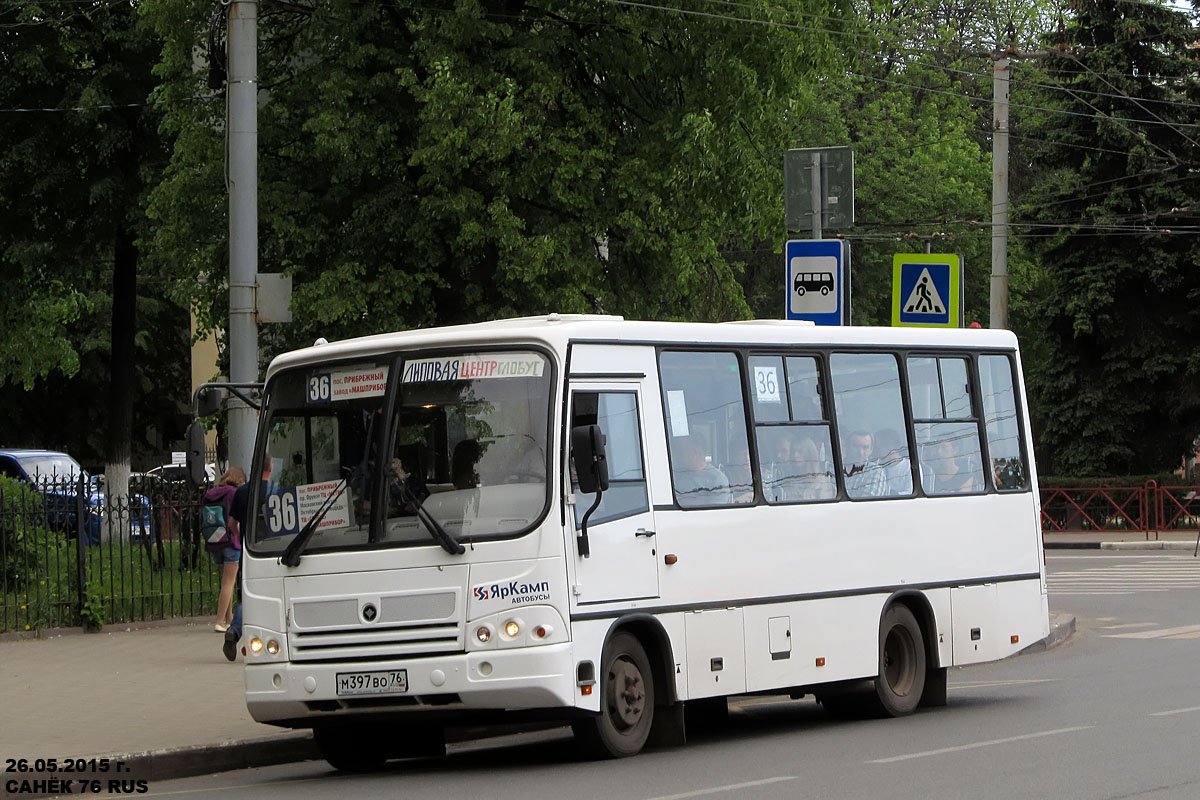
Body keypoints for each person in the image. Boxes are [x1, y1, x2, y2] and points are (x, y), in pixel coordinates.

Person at [224, 455, 273, 662]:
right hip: (274, 551)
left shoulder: (242, 492)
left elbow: (231, 523)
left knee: (249, 595)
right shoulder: (275, 492)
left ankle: (235, 631)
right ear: (270, 468)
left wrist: (240, 535)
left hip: (249, 550)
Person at [205, 467, 246, 633]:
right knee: (229, 583)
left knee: (225, 582)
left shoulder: (213, 493)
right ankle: (219, 620)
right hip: (230, 541)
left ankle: (229, 619)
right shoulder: (233, 493)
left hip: (215, 540)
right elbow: (233, 520)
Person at [672, 434, 731, 506]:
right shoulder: (676, 474)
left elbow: (714, 514)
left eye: (681, 451)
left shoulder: (717, 480)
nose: (677, 455)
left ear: (696, 452)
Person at [843, 430, 886, 498]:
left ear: (871, 450)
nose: (860, 452)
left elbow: (865, 504)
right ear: (846, 447)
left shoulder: (874, 471)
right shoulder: (832, 468)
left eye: (865, 447)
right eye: (856, 446)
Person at [873, 428, 913, 497]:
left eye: (878, 446)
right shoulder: (875, 466)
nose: (875, 449)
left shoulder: (910, 466)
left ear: (890, 446)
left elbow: (911, 492)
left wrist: (891, 494)